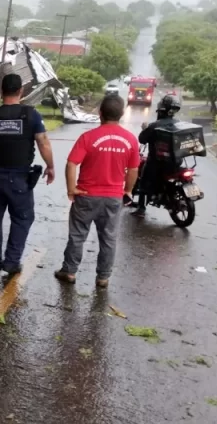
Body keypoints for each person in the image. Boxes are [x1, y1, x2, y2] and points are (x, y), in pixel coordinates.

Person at [0, 74, 55, 275]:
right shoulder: (31, 115)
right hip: (20, 178)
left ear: (1, 91)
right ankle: (11, 262)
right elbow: (43, 142)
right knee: (22, 218)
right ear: (21, 91)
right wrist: (50, 166)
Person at [55, 95, 140, 289]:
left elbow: (72, 163)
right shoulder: (130, 140)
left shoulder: (88, 137)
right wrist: (127, 190)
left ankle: (69, 271)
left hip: (86, 195)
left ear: (100, 113)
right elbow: (134, 169)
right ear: (122, 113)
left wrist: (71, 189)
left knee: (77, 236)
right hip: (113, 198)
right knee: (109, 238)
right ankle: (103, 278)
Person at [131, 94, 182, 218]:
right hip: (176, 163)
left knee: (143, 180)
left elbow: (142, 139)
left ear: (161, 110)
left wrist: (145, 128)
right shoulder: (179, 124)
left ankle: (141, 208)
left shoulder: (154, 126)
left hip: (156, 163)